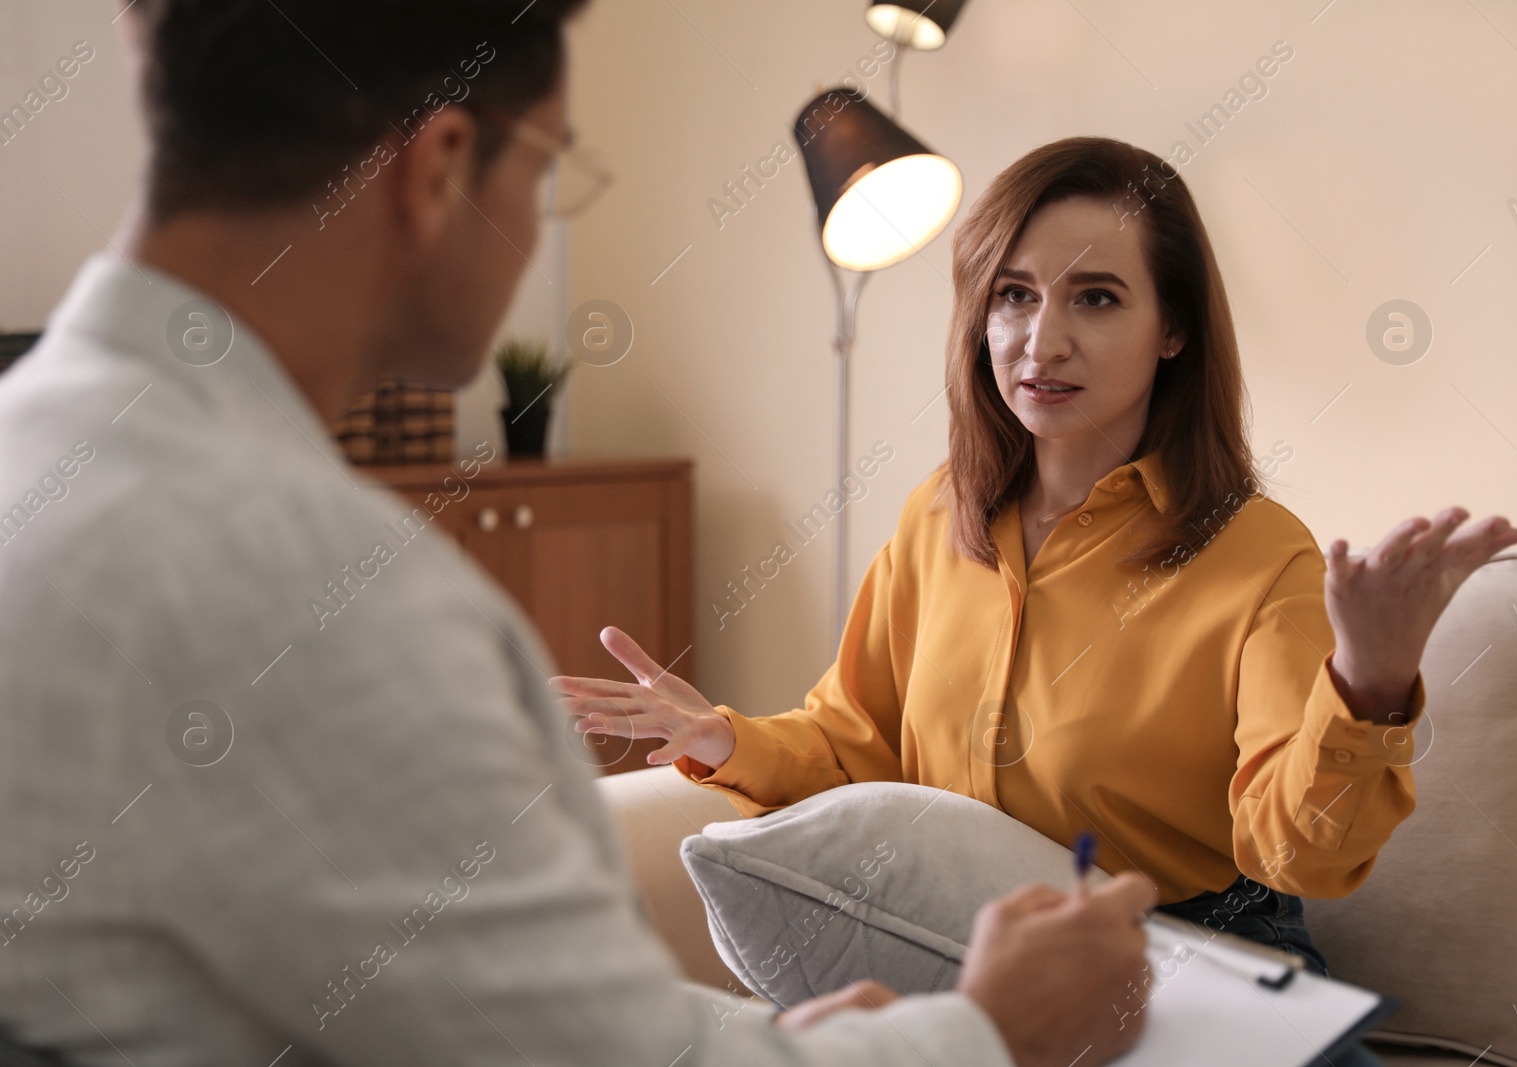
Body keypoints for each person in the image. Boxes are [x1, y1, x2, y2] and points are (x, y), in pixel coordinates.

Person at [0, 2, 1160, 1066]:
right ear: (440, 170)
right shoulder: (311, 589)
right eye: (551, 167)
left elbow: (439, 1008)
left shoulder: (40, 451)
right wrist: (987, 1030)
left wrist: (770, 1034)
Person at [554, 136, 1517, 981]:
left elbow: (1294, 853)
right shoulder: (936, 517)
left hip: (1193, 959)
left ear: (1173, 328)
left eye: (1095, 297)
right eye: (1012, 295)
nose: (1040, 339)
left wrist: (1368, 681)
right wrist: (724, 737)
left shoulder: (1260, 554)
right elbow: (857, 743)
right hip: (958, 950)